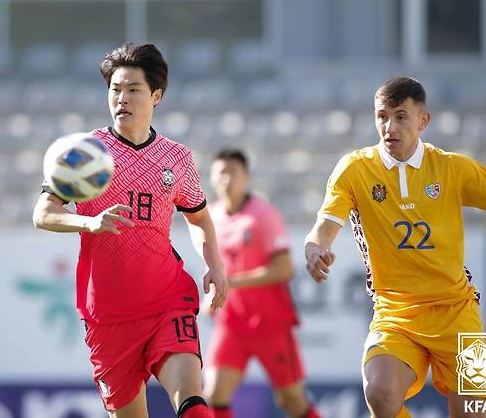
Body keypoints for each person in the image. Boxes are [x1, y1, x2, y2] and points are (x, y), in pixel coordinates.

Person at [32, 42, 228, 418]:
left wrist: (214, 264)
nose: (121, 98)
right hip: (107, 316)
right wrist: (88, 221)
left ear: (156, 95)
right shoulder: (85, 152)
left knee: (192, 400)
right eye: (115, 89)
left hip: (167, 301)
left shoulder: (177, 158)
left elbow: (199, 216)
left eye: (133, 89)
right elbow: (43, 213)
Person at [304, 76, 486, 418]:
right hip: (395, 314)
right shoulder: (355, 169)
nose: (390, 126)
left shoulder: (452, 168)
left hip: (460, 312)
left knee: (474, 412)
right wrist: (314, 250)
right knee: (379, 392)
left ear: (423, 120)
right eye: (382, 116)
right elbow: (323, 228)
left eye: (401, 116)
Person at [203, 149, 321, 418]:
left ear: (246, 177)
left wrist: (231, 283)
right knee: (214, 393)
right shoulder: (212, 217)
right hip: (232, 322)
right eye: (221, 172)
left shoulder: (263, 215)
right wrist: (212, 295)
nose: (227, 178)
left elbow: (284, 269)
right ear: (211, 177)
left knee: (292, 401)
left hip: (270, 323)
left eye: (233, 171)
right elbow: (218, 267)